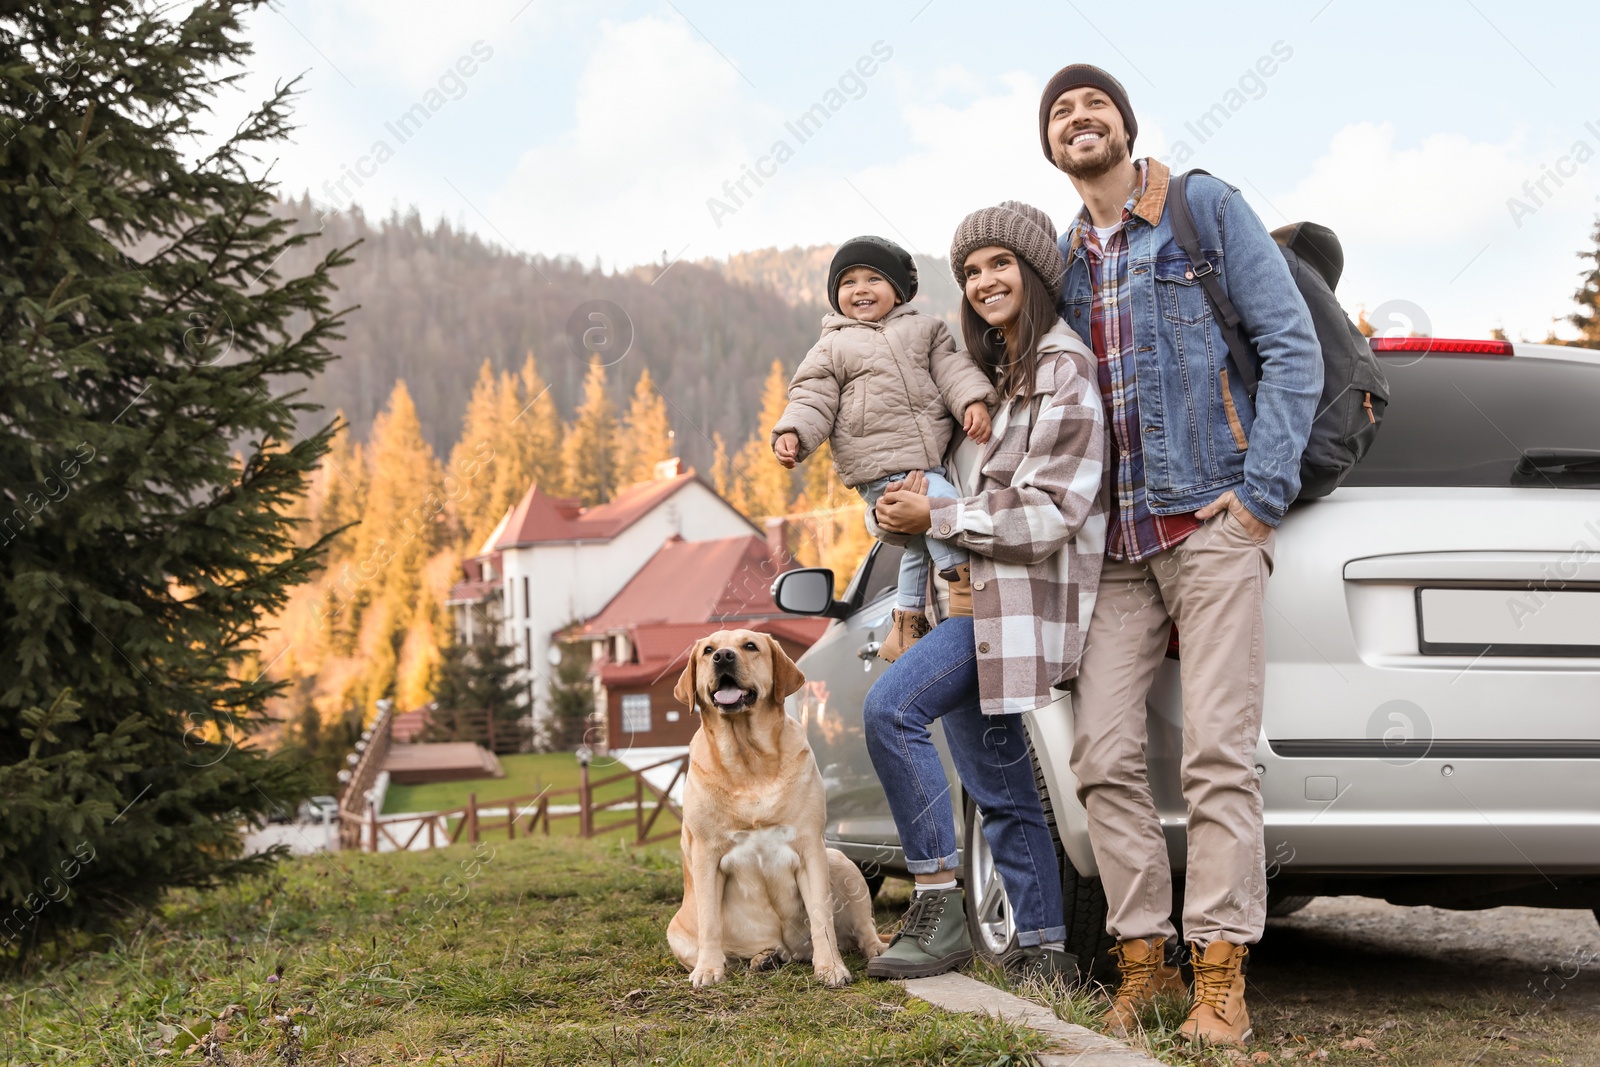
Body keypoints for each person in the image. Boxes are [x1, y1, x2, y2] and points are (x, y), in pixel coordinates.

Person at [1040, 64, 1322, 1046]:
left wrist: (1257, 497)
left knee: (1214, 757)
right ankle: (1145, 965)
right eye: (1059, 113)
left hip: (1207, 532)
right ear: (1051, 148)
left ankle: (1219, 976)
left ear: (1124, 124)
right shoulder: (1062, 263)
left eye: (1092, 104)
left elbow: (1290, 344)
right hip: (1112, 550)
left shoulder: (1201, 209)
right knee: (1103, 756)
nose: (1078, 117)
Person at [861, 202, 1106, 985]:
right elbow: (951, 504)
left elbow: (1050, 512)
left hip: (1018, 608)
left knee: (890, 711)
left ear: (1035, 272)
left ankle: (938, 902)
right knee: (997, 786)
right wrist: (904, 513)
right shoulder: (996, 381)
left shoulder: (1064, 370)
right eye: (970, 271)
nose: (983, 281)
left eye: (1000, 263)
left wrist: (935, 513)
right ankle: (1047, 952)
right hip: (973, 608)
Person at [771, 237, 998, 663]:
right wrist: (794, 434)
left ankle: (907, 622)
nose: (860, 289)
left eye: (873, 278)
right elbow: (812, 397)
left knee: (915, 545)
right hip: (878, 464)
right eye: (848, 281)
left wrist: (971, 401)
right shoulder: (833, 346)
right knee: (941, 507)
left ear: (898, 290)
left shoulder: (924, 329)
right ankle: (965, 588)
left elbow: (952, 370)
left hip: (925, 457)